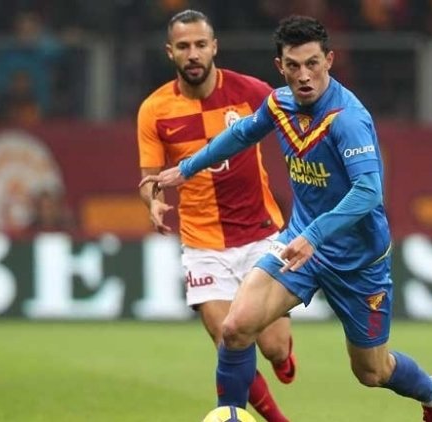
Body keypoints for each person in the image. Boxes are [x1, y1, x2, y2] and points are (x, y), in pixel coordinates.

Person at [141, 15, 432, 422]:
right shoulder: (280, 103)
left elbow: (368, 192)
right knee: (235, 329)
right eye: (293, 66)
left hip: (357, 261)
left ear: (329, 60)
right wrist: (186, 169)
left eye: (312, 64)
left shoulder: (348, 119)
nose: (304, 76)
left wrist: (314, 235)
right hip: (298, 245)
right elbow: (241, 134)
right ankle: (230, 415)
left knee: (372, 372)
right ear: (280, 66)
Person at [136, 10, 295, 422]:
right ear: (170, 52)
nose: (193, 54)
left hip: (261, 234)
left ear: (214, 47)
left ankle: (282, 358)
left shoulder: (251, 92)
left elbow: (297, 125)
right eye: (183, 46)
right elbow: (149, 179)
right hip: (203, 243)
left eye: (200, 45)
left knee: (275, 346)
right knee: (231, 341)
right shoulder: (154, 110)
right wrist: (153, 201)